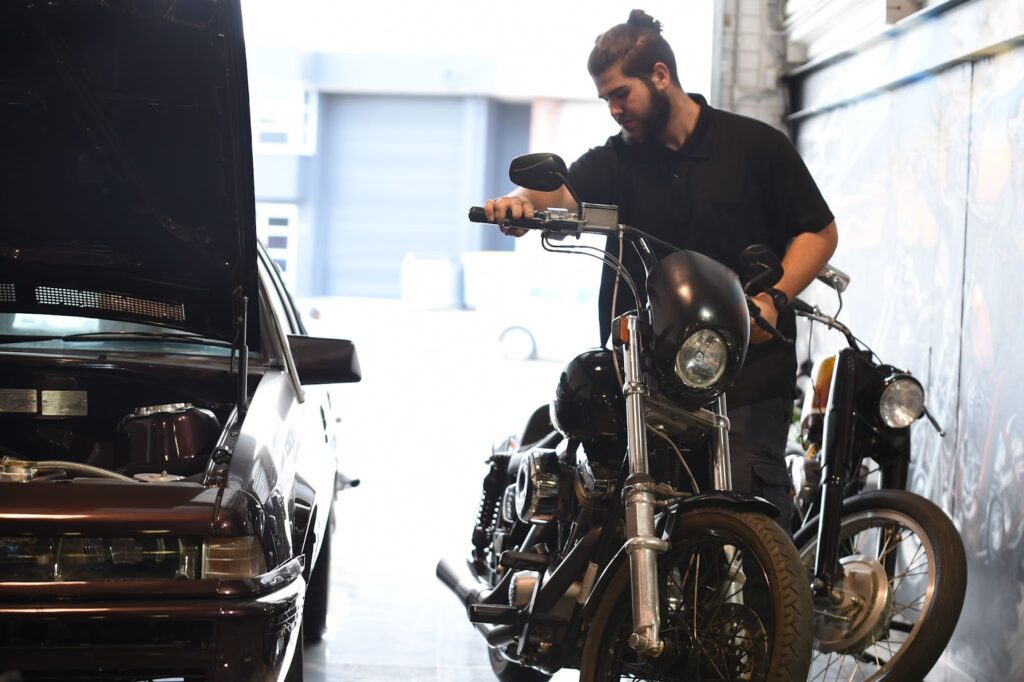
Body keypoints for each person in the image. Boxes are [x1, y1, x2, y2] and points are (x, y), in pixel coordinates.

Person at [482, 9, 838, 529]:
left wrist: (775, 297)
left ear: (660, 75)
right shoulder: (619, 160)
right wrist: (516, 203)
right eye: (605, 99)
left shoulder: (756, 148)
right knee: (615, 511)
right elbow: (558, 193)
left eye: (620, 93)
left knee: (750, 518)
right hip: (644, 378)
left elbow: (818, 231)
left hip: (745, 373)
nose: (613, 109)